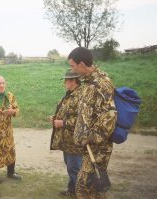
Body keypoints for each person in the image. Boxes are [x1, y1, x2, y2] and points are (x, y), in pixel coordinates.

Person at [68, 47, 117, 199]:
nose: (72, 69)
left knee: (83, 188)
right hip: (88, 149)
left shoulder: (102, 83)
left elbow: (110, 116)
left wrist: (90, 137)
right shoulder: (88, 83)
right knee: (93, 189)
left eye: (72, 65)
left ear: (82, 64)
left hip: (97, 149)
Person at [50, 69, 83, 197]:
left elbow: (83, 119)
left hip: (74, 141)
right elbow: (66, 112)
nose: (64, 82)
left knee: (75, 168)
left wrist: (63, 123)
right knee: (71, 167)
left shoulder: (80, 95)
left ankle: (80, 193)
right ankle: (72, 189)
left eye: (66, 80)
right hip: (66, 140)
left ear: (73, 80)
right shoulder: (70, 94)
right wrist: (55, 117)